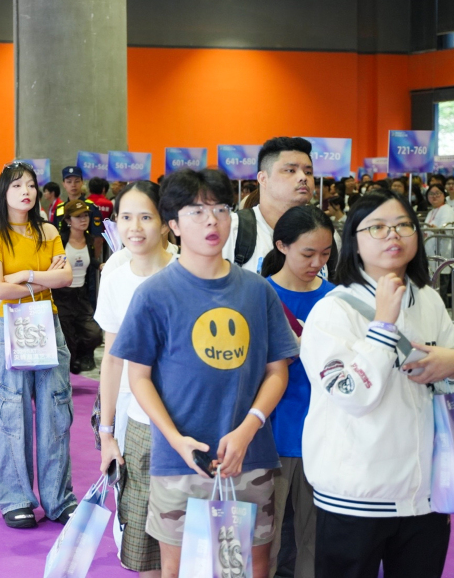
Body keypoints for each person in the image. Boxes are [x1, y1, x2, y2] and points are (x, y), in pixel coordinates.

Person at [111, 167, 296, 578]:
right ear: (173, 225)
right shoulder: (154, 294)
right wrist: (175, 440)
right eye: (196, 211)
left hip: (249, 455)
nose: (212, 220)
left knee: (250, 567)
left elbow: (277, 371)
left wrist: (248, 428)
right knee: (179, 568)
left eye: (220, 209)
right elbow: (138, 377)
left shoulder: (257, 290)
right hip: (180, 461)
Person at [301, 190, 454, 578]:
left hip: (425, 495)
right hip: (355, 495)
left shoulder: (429, 300)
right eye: (378, 227)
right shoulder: (333, 310)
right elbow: (351, 395)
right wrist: (383, 326)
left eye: (403, 225)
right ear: (354, 241)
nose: (393, 235)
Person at [0, 161, 76, 529]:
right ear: (4, 192)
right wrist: (42, 280)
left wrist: (23, 275)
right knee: (12, 411)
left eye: (31, 185)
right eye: (18, 185)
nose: (26, 191)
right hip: (10, 325)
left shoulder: (48, 230)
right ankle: (15, 497)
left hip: (47, 324)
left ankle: (58, 497)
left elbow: (66, 278)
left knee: (55, 410)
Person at [96, 180, 174, 578]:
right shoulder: (114, 276)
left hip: (183, 413)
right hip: (134, 415)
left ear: (165, 222)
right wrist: (107, 433)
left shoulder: (186, 269)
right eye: (126, 217)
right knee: (139, 527)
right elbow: (112, 360)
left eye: (146, 217)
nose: (135, 228)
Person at [257, 206, 336, 578]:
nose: (317, 263)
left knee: (315, 541)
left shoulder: (337, 300)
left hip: (323, 435)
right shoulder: (259, 294)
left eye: (325, 253)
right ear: (282, 246)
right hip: (269, 433)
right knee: (263, 541)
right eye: (308, 253)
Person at [223, 137, 322, 274]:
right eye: (290, 170)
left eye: (308, 172)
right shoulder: (231, 231)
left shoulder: (323, 234)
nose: (303, 177)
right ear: (263, 179)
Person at [54, 199, 102, 374]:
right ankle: (71, 365)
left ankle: (82, 356)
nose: (83, 220)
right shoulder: (60, 241)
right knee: (67, 337)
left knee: (94, 333)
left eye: (86, 216)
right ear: (68, 220)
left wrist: (99, 265)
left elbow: (88, 260)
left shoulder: (89, 240)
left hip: (82, 295)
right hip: (62, 295)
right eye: (78, 216)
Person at [52, 167, 103, 250]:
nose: (73, 185)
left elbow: (97, 238)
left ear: (82, 182)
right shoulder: (59, 209)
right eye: (69, 182)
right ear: (64, 184)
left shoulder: (91, 207)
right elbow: (54, 235)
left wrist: (93, 257)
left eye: (77, 181)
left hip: (86, 252)